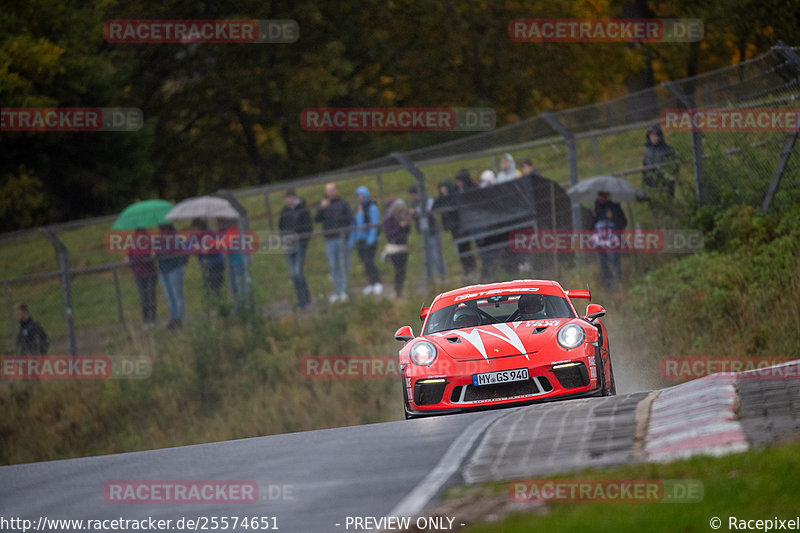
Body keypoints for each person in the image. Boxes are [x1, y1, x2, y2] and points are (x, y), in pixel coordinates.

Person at [315, 182, 352, 303]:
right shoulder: (323, 205)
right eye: (328, 190)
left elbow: (350, 219)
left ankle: (345, 291)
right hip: (329, 240)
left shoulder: (343, 204)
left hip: (341, 238)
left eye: (332, 190)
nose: (330, 192)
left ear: (336, 190)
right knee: (333, 266)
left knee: (343, 264)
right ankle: (337, 291)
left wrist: (346, 234)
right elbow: (316, 219)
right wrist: (321, 208)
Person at [434, 179, 476, 279]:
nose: (443, 190)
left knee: (465, 247)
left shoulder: (454, 196)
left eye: (444, 188)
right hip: (453, 229)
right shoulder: (441, 199)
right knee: (460, 249)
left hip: (461, 227)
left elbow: (455, 207)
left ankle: (471, 267)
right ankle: (467, 268)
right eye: (441, 188)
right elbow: (435, 207)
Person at [279, 188, 313, 308]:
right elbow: (281, 227)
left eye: (290, 198)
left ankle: (306, 298)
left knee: (298, 271)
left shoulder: (303, 209)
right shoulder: (284, 211)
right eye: (286, 198)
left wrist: (303, 240)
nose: (288, 200)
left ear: (294, 197)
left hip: (300, 245)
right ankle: (301, 300)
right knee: (293, 273)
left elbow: (309, 227)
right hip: (289, 246)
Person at [591, 191, 627, 292]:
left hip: (612, 242)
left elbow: (623, 223)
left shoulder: (614, 207)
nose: (601, 198)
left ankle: (618, 285)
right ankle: (608, 288)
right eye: (600, 195)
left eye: (603, 195)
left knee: (614, 263)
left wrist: (613, 217)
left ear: (607, 195)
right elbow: (590, 227)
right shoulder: (596, 208)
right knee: (603, 265)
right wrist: (593, 216)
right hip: (600, 243)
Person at [408, 185, 446, 282]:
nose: (412, 197)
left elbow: (427, 210)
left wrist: (415, 211)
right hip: (424, 234)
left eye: (413, 195)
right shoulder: (413, 203)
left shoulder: (428, 199)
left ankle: (443, 276)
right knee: (429, 257)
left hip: (433, 231)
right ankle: (434, 278)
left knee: (436, 255)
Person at [349, 186, 382, 295]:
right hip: (360, 241)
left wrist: (371, 238)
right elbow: (354, 225)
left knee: (369, 261)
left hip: (370, 240)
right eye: (358, 196)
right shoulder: (357, 209)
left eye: (361, 195)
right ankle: (370, 283)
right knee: (365, 262)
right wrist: (352, 240)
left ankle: (377, 282)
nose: (359, 198)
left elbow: (374, 224)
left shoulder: (371, 207)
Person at [156, 224, 188, 329]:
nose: (162, 231)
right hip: (163, 271)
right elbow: (159, 253)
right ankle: (173, 318)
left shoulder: (175, 238)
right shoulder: (159, 240)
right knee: (169, 297)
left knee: (177, 295)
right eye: (161, 228)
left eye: (164, 228)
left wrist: (162, 253)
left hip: (175, 270)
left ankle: (179, 319)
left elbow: (174, 254)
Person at [127, 227, 157, 328]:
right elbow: (130, 258)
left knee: (150, 297)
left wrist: (148, 257)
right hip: (139, 275)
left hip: (150, 274)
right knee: (144, 299)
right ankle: (146, 320)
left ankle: (153, 320)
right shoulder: (133, 244)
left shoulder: (148, 242)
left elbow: (149, 256)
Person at [381, 199, 411, 298]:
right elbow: (391, 234)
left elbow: (406, 233)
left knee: (402, 270)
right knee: (398, 270)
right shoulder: (388, 221)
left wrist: (407, 225)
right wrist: (400, 226)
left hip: (403, 247)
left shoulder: (401, 219)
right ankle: (397, 290)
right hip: (394, 248)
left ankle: (400, 289)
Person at [219, 218, 249, 313]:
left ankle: (244, 306)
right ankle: (238, 306)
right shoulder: (226, 232)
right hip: (231, 261)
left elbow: (226, 244)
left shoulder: (233, 231)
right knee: (234, 285)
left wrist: (210, 242)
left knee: (240, 284)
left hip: (238, 260)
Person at [190, 218, 225, 300]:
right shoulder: (194, 236)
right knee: (207, 286)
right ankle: (212, 303)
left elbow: (217, 246)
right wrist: (195, 249)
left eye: (196, 229)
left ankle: (219, 302)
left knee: (216, 285)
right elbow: (189, 247)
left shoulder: (209, 234)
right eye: (193, 229)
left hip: (216, 263)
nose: (195, 231)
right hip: (205, 264)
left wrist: (208, 249)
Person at [642, 124, 676, 197]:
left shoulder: (668, 149)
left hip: (665, 183)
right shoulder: (647, 151)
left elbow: (673, 168)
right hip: (652, 184)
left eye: (655, 135)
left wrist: (668, 184)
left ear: (659, 135)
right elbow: (644, 170)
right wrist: (645, 185)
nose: (653, 137)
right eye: (651, 135)